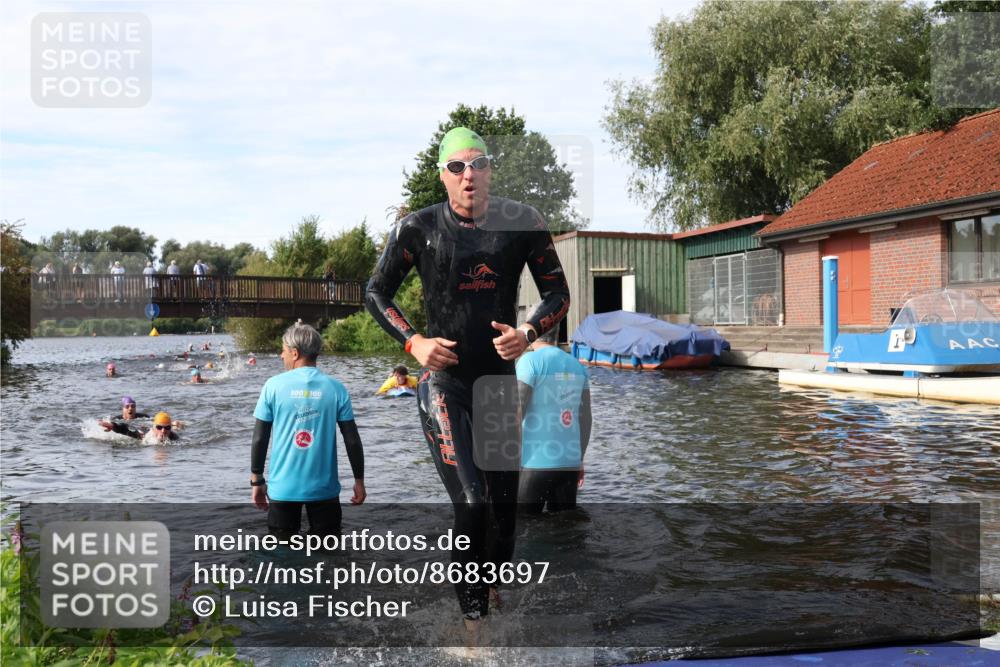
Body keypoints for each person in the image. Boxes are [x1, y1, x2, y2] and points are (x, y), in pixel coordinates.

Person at [365, 127, 569, 628]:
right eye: (457, 167)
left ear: (490, 169)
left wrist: (528, 331)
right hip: (446, 384)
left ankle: (490, 594)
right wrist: (414, 342)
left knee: (504, 520)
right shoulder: (417, 230)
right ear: (443, 177)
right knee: (473, 502)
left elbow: (558, 294)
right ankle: (472, 626)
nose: (468, 175)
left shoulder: (522, 223)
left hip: (498, 386)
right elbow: (375, 293)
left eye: (477, 163)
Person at [250, 323, 366, 539]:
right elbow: (352, 440)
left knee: (281, 555)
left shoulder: (272, 386)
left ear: (295, 353)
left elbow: (260, 438)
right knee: (329, 554)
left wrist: (257, 480)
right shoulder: (336, 388)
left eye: (283, 350)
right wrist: (359, 480)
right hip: (324, 490)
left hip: (283, 489)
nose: (281, 355)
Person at [516, 327, 592, 513]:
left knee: (524, 529)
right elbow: (586, 419)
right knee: (565, 531)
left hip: (534, 464)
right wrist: (580, 460)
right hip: (570, 465)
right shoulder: (578, 366)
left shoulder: (529, 361)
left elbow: (515, 413)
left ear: (530, 335)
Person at [99, 411, 180, 442]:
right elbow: (125, 428)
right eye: (159, 427)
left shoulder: (173, 437)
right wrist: (113, 426)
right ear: (154, 428)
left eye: (167, 428)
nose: (163, 431)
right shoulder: (144, 435)